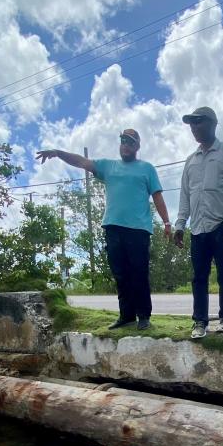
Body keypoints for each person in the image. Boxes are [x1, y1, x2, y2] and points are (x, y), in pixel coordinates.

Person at [36, 128, 171, 331]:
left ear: (137, 146)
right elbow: (81, 161)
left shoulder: (147, 168)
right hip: (113, 228)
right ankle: (126, 315)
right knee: (120, 274)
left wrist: (167, 222)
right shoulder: (108, 166)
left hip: (138, 230)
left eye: (131, 142)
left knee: (139, 273)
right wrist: (58, 152)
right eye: (123, 140)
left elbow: (157, 196)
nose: (126, 144)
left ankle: (143, 315)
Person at [174, 106, 223, 339]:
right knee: (199, 277)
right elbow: (185, 195)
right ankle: (200, 322)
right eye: (192, 124)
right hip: (198, 227)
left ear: (213, 124)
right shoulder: (190, 161)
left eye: (199, 122)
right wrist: (179, 224)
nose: (194, 127)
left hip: (222, 225)